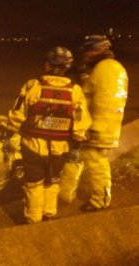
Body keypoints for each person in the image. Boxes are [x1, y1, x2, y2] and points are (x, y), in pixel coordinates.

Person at [6, 46, 91, 223]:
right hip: (60, 149)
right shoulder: (74, 90)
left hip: (33, 146)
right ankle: (49, 215)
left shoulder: (33, 85)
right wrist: (76, 146)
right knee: (52, 182)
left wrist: (9, 136)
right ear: (67, 67)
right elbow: (80, 123)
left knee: (34, 184)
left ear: (47, 65)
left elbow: (17, 114)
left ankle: (33, 218)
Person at [71, 35, 129, 212]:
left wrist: (95, 128)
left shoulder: (105, 69)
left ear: (96, 50)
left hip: (99, 127)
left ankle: (99, 200)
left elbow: (105, 102)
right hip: (106, 125)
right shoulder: (111, 67)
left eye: (88, 51)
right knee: (92, 161)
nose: (85, 55)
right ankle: (98, 196)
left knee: (96, 162)